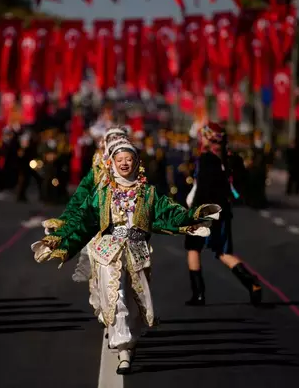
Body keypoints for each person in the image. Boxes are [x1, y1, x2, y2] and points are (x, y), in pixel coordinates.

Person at [31, 138, 220, 374]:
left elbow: (170, 214)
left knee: (132, 301)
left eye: (129, 159)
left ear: (137, 162)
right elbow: (83, 224)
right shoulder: (102, 193)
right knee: (116, 296)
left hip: (137, 252)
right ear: (112, 162)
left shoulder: (148, 193)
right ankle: (123, 351)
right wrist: (58, 241)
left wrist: (194, 215)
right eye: (119, 159)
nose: (124, 163)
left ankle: (129, 343)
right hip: (108, 252)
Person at [184, 122, 261, 306]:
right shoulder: (228, 159)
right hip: (222, 211)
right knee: (222, 251)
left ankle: (199, 294)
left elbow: (202, 189)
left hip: (204, 211)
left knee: (193, 248)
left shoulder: (205, 159)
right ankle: (251, 282)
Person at [42, 125, 130, 283]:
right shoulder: (98, 172)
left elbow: (159, 209)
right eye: (110, 142)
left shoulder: (140, 179)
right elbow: (81, 206)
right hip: (105, 237)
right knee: (107, 290)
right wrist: (61, 236)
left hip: (132, 242)